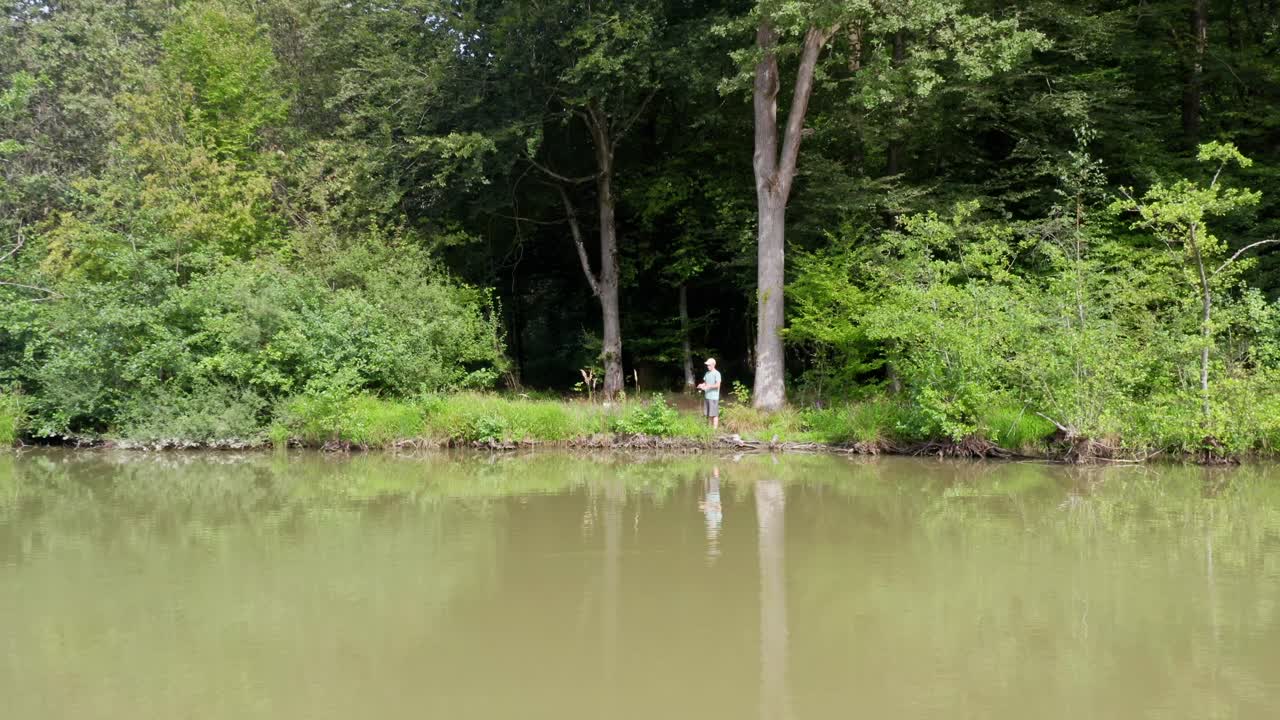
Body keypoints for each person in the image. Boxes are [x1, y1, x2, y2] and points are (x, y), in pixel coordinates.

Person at [696, 357, 721, 430]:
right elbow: (705, 383)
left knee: (714, 414)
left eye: (709, 365)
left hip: (714, 397)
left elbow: (717, 385)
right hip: (707, 396)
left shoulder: (717, 373)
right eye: (707, 365)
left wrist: (708, 386)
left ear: (713, 365)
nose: (707, 366)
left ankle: (714, 430)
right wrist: (701, 385)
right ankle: (709, 429)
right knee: (708, 414)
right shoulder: (707, 373)